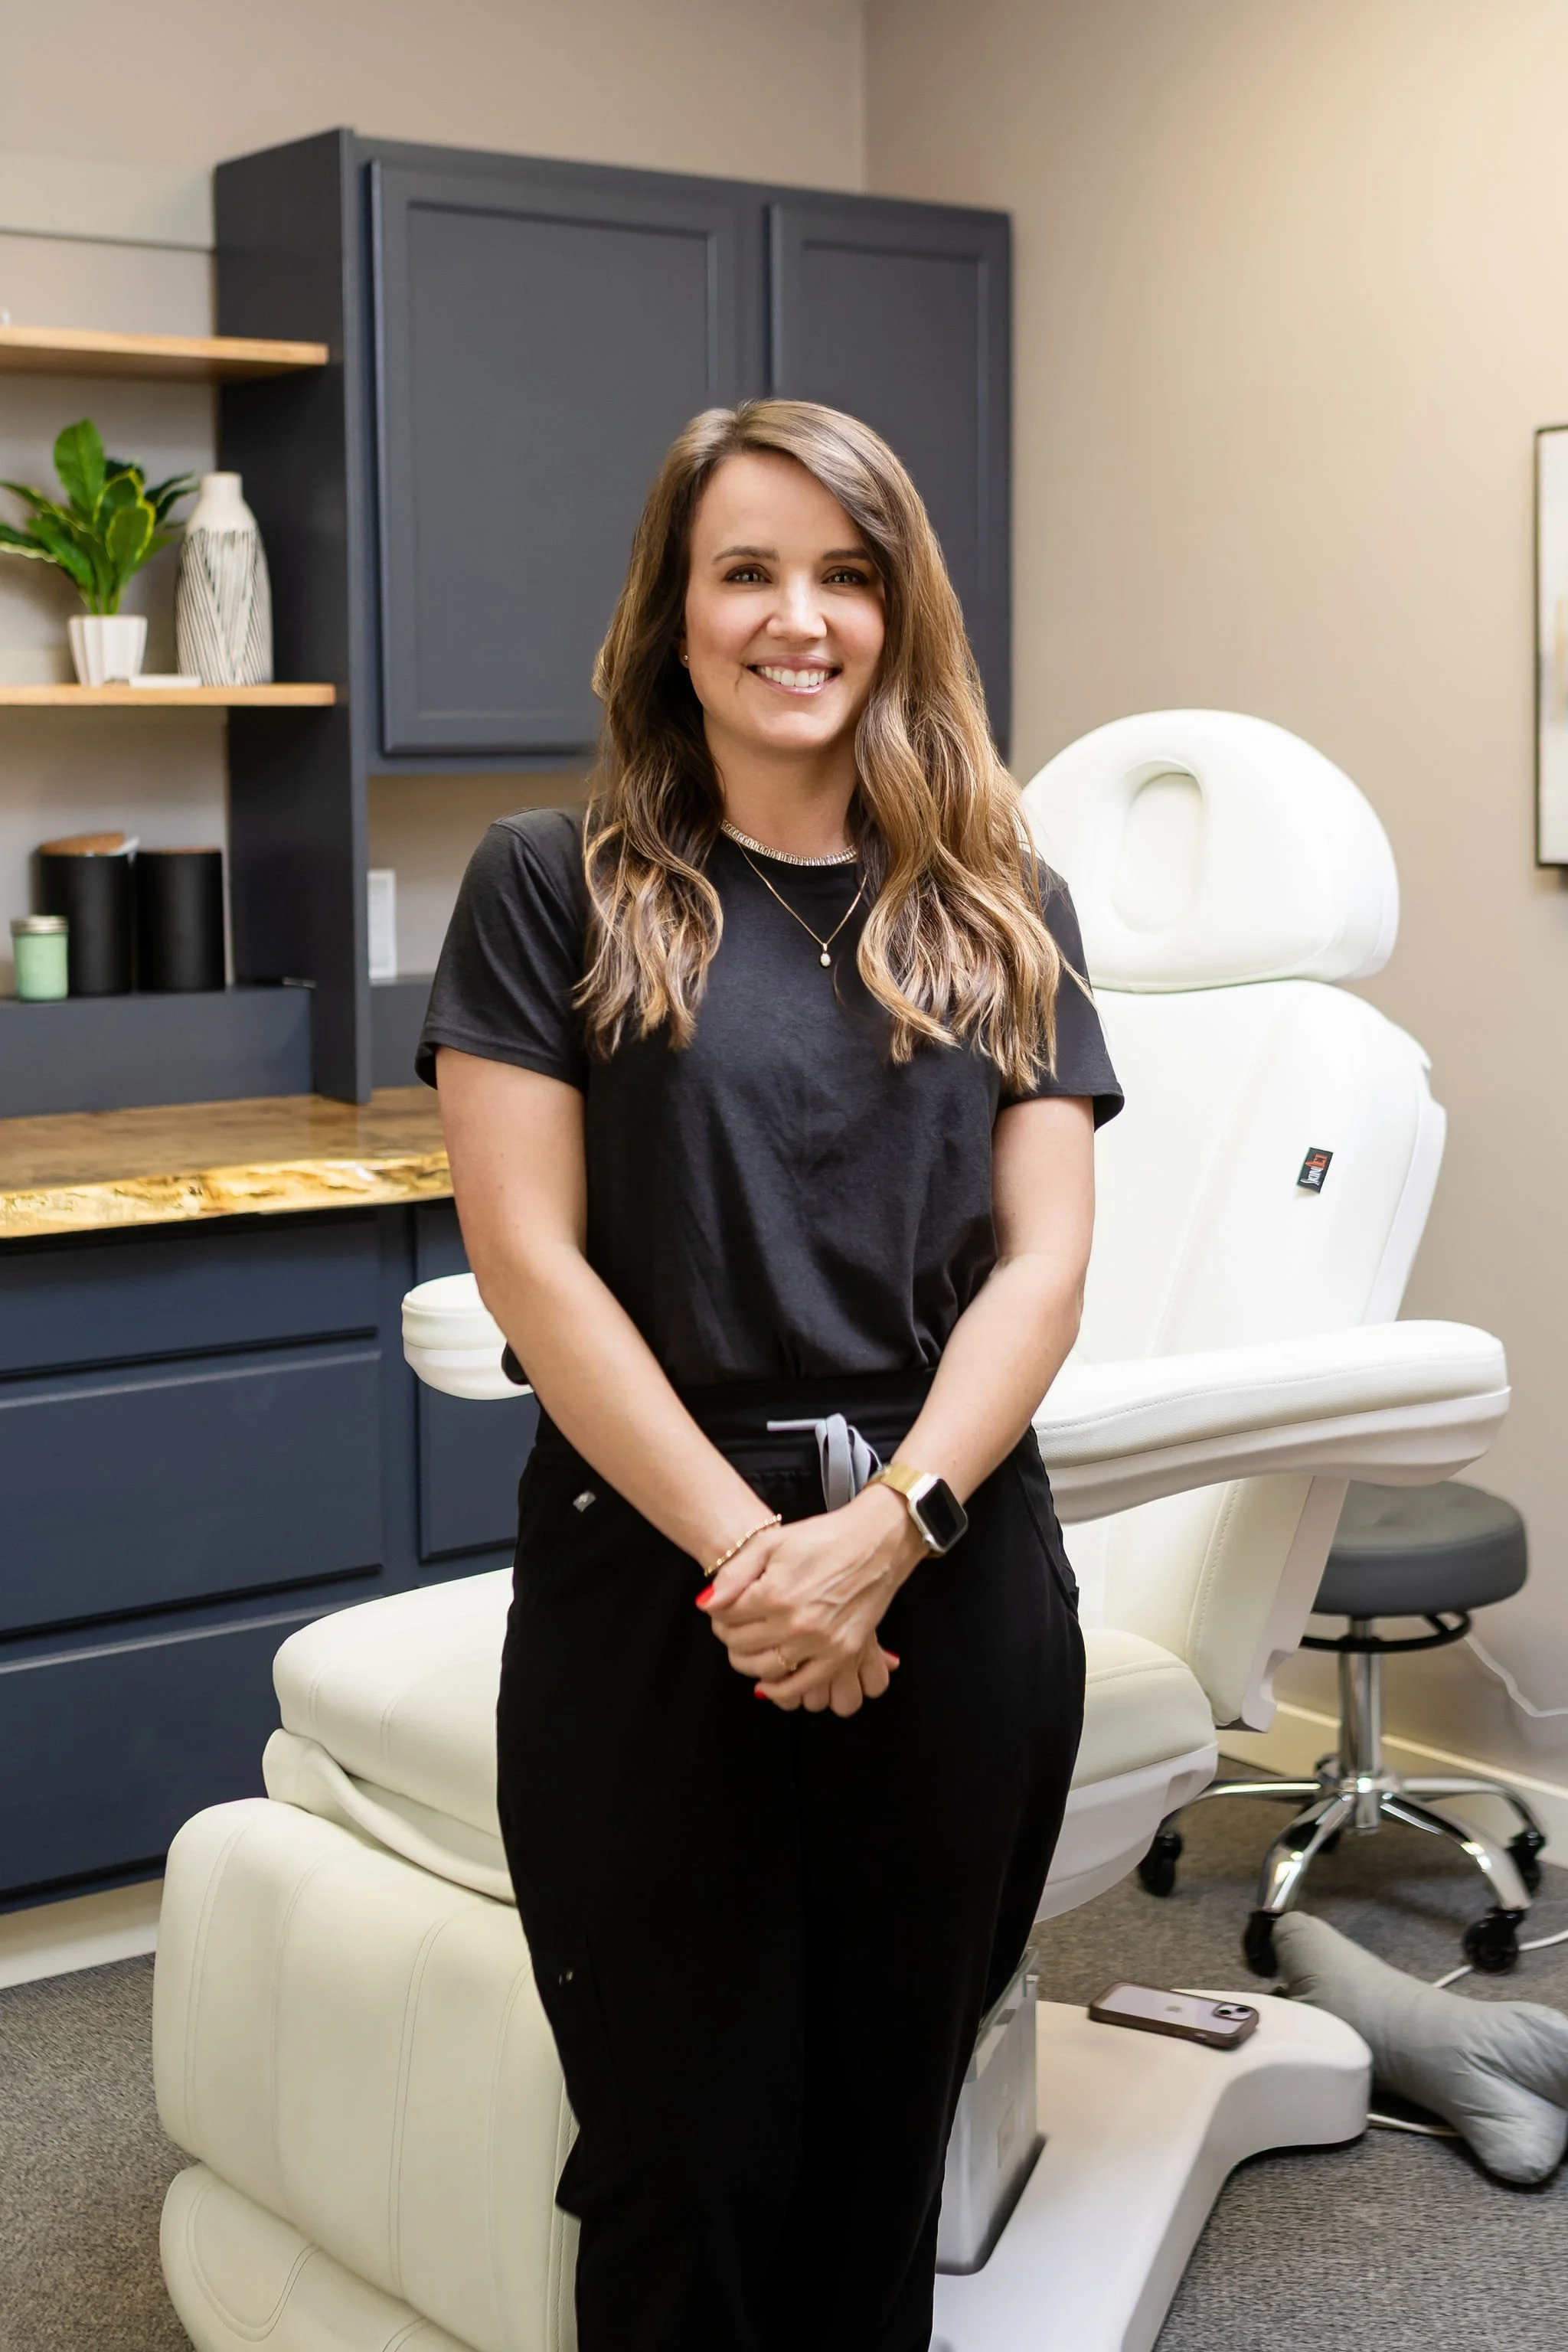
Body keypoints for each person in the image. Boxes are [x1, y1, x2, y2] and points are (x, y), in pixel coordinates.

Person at [416, 399, 1122, 2352]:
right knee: (680, 2157)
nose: (795, 617)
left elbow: (1043, 1271)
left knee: (885, 2148)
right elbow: (530, 1265)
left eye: (846, 572)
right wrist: (762, 1564)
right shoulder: (551, 885)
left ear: (902, 616)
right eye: (746, 570)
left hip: (952, 1571)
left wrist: (887, 1534)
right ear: (673, 613)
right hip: (659, 1587)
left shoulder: (1003, 909)